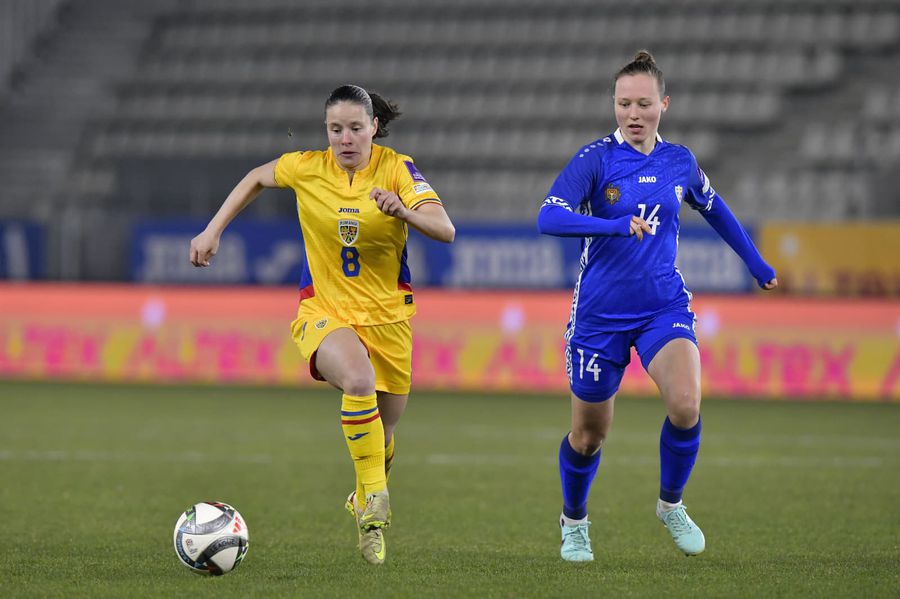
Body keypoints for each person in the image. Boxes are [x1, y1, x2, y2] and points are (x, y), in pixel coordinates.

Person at [189, 84, 455, 565]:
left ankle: (364, 492)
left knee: (384, 435)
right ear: (326, 131)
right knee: (358, 379)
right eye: (336, 129)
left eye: (355, 128)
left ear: (374, 127)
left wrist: (405, 210)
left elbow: (446, 228)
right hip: (324, 311)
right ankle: (373, 513)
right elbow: (255, 176)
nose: (345, 138)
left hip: (389, 318)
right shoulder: (308, 167)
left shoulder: (397, 169)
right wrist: (213, 230)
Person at [536, 51, 777, 562]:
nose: (633, 113)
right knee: (588, 435)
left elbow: (719, 212)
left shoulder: (680, 161)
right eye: (624, 103)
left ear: (664, 104)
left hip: (661, 305)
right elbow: (548, 217)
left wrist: (756, 265)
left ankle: (671, 504)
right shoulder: (595, 159)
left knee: (687, 406)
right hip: (599, 316)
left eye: (644, 102)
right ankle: (574, 521)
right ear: (615, 106)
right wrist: (611, 224)